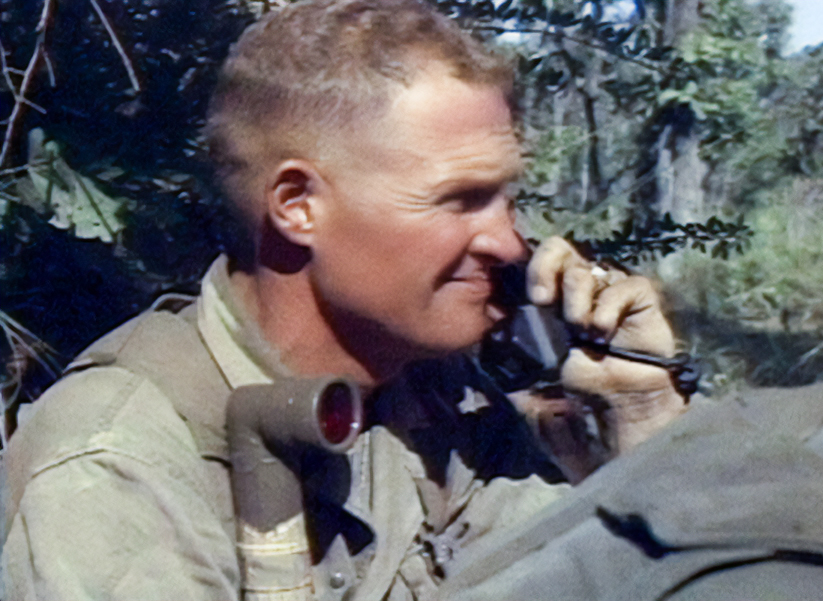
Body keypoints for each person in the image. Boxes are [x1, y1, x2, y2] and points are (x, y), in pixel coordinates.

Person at [0, 1, 685, 600]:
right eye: (460, 200)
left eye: (505, 198)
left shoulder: (441, 402)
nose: (509, 243)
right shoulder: (120, 462)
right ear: (298, 206)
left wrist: (643, 413)